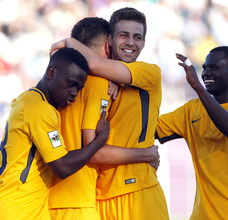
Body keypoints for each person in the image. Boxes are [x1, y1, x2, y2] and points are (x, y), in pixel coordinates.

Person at [50, 7, 169, 220]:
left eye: (138, 37)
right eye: (124, 35)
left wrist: (70, 43)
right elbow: (95, 65)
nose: (131, 42)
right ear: (110, 41)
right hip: (98, 199)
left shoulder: (150, 72)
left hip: (139, 192)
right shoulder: (93, 82)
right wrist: (146, 154)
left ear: (144, 43)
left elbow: (95, 63)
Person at [0, 47, 110, 220]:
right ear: (51, 72)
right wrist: (98, 141)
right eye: (71, 84)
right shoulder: (38, 109)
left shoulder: (31, 100)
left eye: (79, 89)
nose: (74, 93)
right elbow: (62, 166)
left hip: (22, 208)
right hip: (14, 210)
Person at [155, 46, 228, 219]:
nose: (205, 73)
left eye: (213, 68)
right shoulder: (191, 110)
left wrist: (198, 88)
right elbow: (148, 128)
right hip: (201, 215)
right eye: (204, 68)